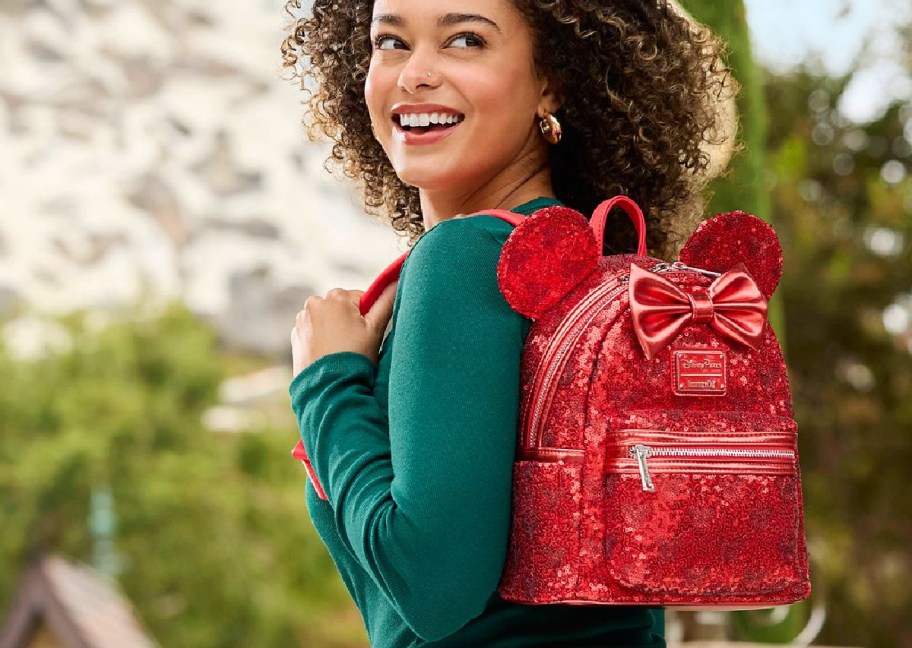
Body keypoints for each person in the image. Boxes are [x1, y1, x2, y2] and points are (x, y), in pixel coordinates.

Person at [283, 0, 734, 645]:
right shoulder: (583, 263)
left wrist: (326, 382)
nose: (415, 74)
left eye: (465, 40)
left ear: (552, 77)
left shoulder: (469, 260)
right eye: (391, 42)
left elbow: (431, 587)